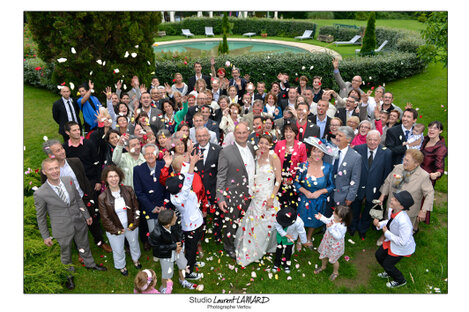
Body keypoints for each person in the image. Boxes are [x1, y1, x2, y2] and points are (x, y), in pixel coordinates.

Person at [34, 158, 107, 290]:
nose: (55, 171)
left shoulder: (68, 180)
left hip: (79, 220)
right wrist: (46, 236)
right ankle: (68, 275)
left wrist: (86, 214)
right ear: (44, 172)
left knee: (84, 244)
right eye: (51, 169)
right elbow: (41, 217)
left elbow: (78, 199)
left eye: (56, 167)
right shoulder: (40, 193)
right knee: (65, 252)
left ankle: (89, 263)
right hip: (61, 228)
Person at [41, 139, 112, 253]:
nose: (62, 152)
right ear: (51, 155)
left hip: (83, 197)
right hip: (66, 205)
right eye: (58, 151)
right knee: (74, 227)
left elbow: (84, 180)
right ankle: (80, 250)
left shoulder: (75, 162)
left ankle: (100, 241)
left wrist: (90, 197)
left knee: (93, 221)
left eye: (62, 148)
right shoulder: (49, 171)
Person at [234, 134, 282, 266]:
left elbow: (278, 179)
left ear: (271, 145)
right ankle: (251, 250)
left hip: (268, 197)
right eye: (261, 143)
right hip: (256, 197)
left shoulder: (274, 157)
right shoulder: (256, 155)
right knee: (253, 224)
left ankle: (268, 247)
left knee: (267, 224)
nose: (263, 146)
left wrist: (272, 198)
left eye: (266, 143)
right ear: (258, 143)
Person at [216, 122, 256, 259]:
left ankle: (242, 243)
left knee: (245, 222)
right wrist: (220, 198)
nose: (242, 135)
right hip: (232, 195)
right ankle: (229, 246)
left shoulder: (252, 147)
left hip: (250, 193)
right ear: (234, 134)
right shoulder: (225, 151)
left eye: (244, 133)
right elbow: (221, 175)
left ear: (248, 133)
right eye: (239, 133)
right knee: (230, 224)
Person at [165, 152, 206, 280]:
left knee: (192, 247)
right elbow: (188, 180)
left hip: (196, 222)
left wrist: (187, 160)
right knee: (191, 249)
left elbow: (183, 175)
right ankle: (188, 272)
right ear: (179, 188)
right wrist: (192, 164)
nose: (181, 181)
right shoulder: (180, 197)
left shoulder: (175, 191)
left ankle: (192, 263)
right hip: (191, 226)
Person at [378, 149, 434, 235]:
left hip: (409, 211)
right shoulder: (398, 168)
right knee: (389, 223)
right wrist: (383, 195)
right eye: (404, 159)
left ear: (416, 164)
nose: (404, 162)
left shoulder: (423, 176)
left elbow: (429, 194)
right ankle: (385, 237)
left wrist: (423, 211)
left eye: (407, 160)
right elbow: (388, 182)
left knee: (403, 233)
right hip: (392, 205)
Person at [98, 165, 141, 276]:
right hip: (115, 227)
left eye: (116, 176)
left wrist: (134, 224)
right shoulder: (102, 197)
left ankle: (136, 259)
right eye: (110, 176)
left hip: (130, 224)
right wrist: (116, 230)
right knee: (118, 248)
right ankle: (121, 266)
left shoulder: (128, 190)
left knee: (134, 243)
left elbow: (136, 208)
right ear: (106, 179)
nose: (113, 179)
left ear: (120, 177)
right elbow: (105, 218)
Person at [350, 130, 393, 240]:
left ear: (379, 140)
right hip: (358, 186)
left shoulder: (387, 153)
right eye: (370, 139)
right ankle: (352, 227)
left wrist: (382, 192)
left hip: (375, 188)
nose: (372, 142)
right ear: (366, 139)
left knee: (369, 210)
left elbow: (387, 174)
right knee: (355, 208)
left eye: (375, 140)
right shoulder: (358, 149)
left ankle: (363, 229)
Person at [294, 137, 336, 246]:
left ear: (323, 153)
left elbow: (332, 186)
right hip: (304, 199)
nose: (316, 154)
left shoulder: (328, 168)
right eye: (314, 150)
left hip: (319, 200)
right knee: (301, 220)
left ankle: (308, 237)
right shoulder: (303, 166)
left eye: (319, 151)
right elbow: (296, 182)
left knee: (314, 220)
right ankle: (300, 239)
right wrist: (305, 192)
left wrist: (320, 192)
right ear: (310, 152)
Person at [374, 190, 416, 288]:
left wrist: (386, 233)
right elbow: (390, 221)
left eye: (395, 200)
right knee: (379, 255)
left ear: (401, 207)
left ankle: (400, 280)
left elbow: (403, 242)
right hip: (392, 241)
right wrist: (380, 224)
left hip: (401, 247)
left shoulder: (404, 222)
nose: (392, 199)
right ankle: (388, 271)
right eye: (393, 197)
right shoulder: (392, 210)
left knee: (388, 264)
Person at [148, 209, 197, 290]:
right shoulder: (156, 233)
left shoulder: (175, 223)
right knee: (167, 273)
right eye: (174, 217)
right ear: (168, 224)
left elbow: (179, 233)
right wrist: (173, 247)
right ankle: (164, 287)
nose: (176, 217)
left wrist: (179, 245)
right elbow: (157, 247)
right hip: (166, 255)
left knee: (182, 265)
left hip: (177, 249)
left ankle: (182, 280)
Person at [133, 144, 172, 239]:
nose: (150, 156)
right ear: (143, 156)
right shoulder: (138, 169)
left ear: (157, 154)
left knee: (168, 234)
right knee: (155, 235)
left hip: (164, 207)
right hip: (149, 208)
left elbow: (169, 187)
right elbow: (139, 192)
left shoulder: (165, 165)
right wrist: (152, 207)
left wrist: (165, 205)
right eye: (147, 154)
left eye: (152, 153)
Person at [313, 205, 352, 281]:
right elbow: (328, 221)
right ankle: (323, 266)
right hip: (327, 241)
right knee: (324, 255)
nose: (333, 212)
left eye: (335, 213)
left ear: (340, 218)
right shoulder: (333, 218)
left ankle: (335, 272)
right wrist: (321, 218)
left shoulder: (342, 227)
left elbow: (338, 237)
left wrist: (330, 228)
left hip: (335, 245)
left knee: (333, 260)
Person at [274, 121, 307, 209]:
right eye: (286, 131)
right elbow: (274, 163)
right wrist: (280, 178)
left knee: (292, 207)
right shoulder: (279, 144)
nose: (288, 134)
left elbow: (303, 166)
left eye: (290, 131)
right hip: (279, 181)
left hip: (294, 183)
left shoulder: (301, 146)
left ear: (295, 133)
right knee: (280, 206)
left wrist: (292, 180)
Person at [329, 126, 362, 211]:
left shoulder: (355, 157)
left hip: (342, 196)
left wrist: (350, 197)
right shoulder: (329, 152)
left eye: (340, 136)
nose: (337, 137)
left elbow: (355, 179)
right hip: (326, 193)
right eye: (337, 135)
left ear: (348, 139)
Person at [273, 206, 311, 273]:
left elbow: (301, 232)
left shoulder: (298, 222)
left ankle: (286, 264)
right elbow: (277, 226)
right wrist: (285, 234)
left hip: (291, 239)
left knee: (288, 251)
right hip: (281, 237)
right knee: (279, 250)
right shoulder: (278, 217)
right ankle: (277, 263)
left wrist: (304, 242)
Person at [420, 121, 448, 186]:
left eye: (435, 128)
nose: (431, 130)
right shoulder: (424, 139)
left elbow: (440, 167)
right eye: (430, 127)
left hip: (426, 179)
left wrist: (436, 174)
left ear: (440, 131)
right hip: (415, 174)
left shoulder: (441, 148)